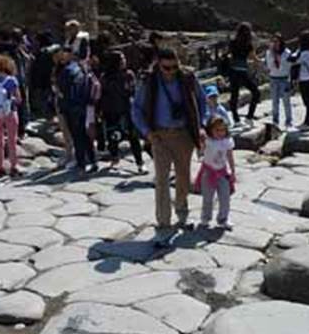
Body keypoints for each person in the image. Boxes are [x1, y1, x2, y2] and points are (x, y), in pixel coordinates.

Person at [131, 48, 209, 245]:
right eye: (167, 68)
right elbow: (137, 108)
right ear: (158, 64)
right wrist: (147, 133)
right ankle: (163, 221)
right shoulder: (149, 81)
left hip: (184, 134)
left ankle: (182, 211)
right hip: (159, 135)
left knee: (183, 176)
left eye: (175, 67)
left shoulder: (188, 78)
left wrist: (201, 126)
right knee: (162, 178)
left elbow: (202, 102)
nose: (171, 71)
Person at [99, 51, 145, 172]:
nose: (124, 61)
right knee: (113, 136)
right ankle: (114, 157)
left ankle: (140, 163)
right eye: (121, 59)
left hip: (127, 110)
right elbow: (102, 94)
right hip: (111, 110)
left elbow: (133, 91)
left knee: (133, 137)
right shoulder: (106, 77)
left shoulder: (129, 74)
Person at [56, 49, 98, 174]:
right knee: (84, 135)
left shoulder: (67, 71)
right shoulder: (83, 69)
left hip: (70, 106)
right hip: (83, 105)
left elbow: (61, 90)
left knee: (77, 135)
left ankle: (81, 163)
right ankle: (92, 160)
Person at [195, 115, 237, 230]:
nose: (220, 132)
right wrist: (201, 141)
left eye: (223, 130)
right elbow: (200, 150)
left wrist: (233, 171)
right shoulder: (208, 141)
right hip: (208, 172)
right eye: (217, 130)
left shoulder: (227, 141)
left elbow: (230, 156)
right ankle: (205, 219)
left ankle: (223, 219)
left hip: (222, 172)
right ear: (210, 130)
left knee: (225, 197)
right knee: (208, 198)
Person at [227, 22, 259, 124]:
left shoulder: (233, 42)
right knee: (256, 92)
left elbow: (229, 54)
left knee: (234, 95)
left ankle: (236, 119)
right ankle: (249, 117)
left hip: (233, 71)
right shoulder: (249, 45)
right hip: (242, 71)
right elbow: (253, 58)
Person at [264, 33, 295, 129]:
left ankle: (289, 120)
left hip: (284, 78)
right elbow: (269, 66)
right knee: (274, 101)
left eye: (277, 41)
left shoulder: (287, 52)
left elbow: (289, 67)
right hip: (273, 78)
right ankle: (275, 120)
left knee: (286, 101)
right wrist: (273, 57)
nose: (275, 43)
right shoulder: (269, 53)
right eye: (273, 41)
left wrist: (290, 80)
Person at [30, 31, 56, 119]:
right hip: (52, 80)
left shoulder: (43, 52)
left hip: (43, 81)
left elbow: (38, 68)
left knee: (45, 102)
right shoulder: (55, 50)